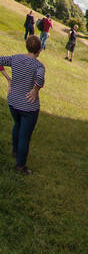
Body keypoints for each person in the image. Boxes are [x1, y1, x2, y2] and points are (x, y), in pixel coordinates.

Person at [0, 34, 45, 174]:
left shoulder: (15, 58)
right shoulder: (39, 65)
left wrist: (8, 78)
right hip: (28, 107)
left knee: (17, 125)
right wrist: (35, 90)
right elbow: (40, 78)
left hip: (13, 102)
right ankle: (20, 166)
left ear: (27, 46)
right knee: (25, 136)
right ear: (39, 50)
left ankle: (15, 151)